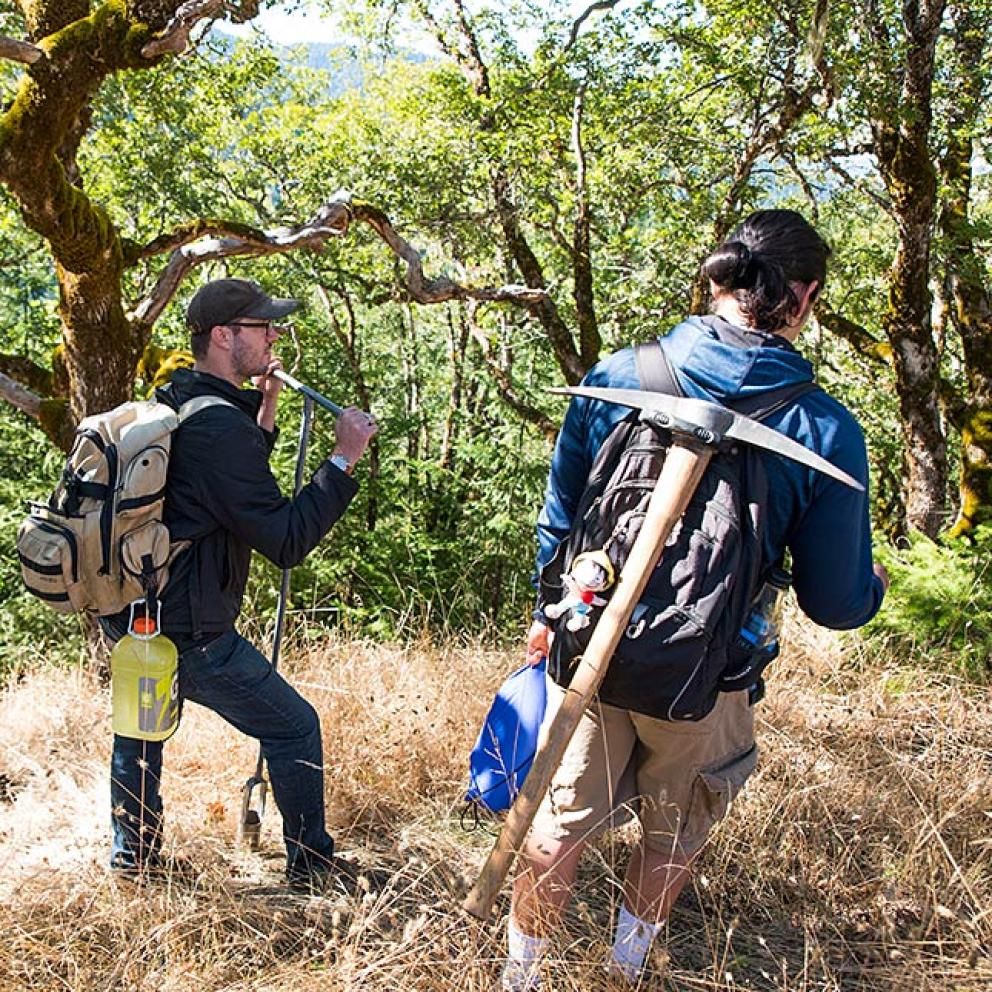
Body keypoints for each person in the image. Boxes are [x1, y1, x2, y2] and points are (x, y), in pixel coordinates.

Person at [500, 210, 890, 989]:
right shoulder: (823, 427)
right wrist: (871, 590)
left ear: (713, 280)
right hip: (711, 676)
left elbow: (560, 516)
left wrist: (551, 615)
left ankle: (522, 979)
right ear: (805, 297)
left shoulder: (615, 376)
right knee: (674, 828)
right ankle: (626, 967)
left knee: (559, 822)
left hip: (591, 649)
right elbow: (836, 604)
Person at [103, 277, 377, 890]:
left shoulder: (180, 398)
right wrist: (342, 460)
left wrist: (267, 407)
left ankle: (133, 863)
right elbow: (283, 538)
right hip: (192, 632)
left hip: (136, 613)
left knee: (141, 733)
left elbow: (229, 487)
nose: (275, 335)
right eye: (263, 326)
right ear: (224, 336)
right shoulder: (219, 427)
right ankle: (312, 869)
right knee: (293, 725)